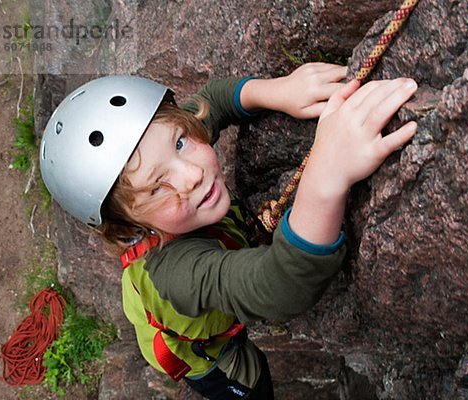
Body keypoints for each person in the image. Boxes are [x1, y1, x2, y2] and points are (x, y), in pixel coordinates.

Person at [39, 62, 417, 399]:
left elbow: (212, 101)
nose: (191, 176)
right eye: (157, 187)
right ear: (129, 226)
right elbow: (281, 286)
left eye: (181, 143)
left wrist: (277, 90)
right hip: (210, 356)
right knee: (253, 385)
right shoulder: (177, 274)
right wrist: (328, 173)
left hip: (177, 289)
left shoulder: (161, 143)